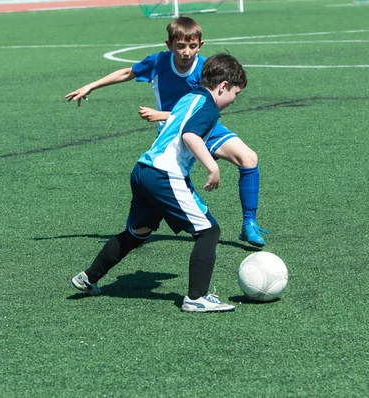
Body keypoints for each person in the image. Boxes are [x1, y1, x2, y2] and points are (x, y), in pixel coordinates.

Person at [65, 16, 269, 247]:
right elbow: (126, 73)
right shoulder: (158, 63)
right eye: (181, 46)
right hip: (173, 133)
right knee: (160, 179)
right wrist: (90, 86)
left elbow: (202, 110)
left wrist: (162, 114)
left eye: (192, 46)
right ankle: (135, 230)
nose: (186, 52)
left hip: (204, 128)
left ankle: (248, 224)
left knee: (249, 158)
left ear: (200, 45)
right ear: (169, 45)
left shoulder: (205, 70)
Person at [71, 53, 247, 312]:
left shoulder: (190, 97)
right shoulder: (208, 107)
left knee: (137, 232)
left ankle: (88, 277)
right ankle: (196, 298)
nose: (233, 100)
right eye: (235, 93)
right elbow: (190, 135)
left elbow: (177, 122)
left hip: (143, 169)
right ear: (223, 86)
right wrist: (212, 167)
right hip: (165, 174)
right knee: (209, 231)